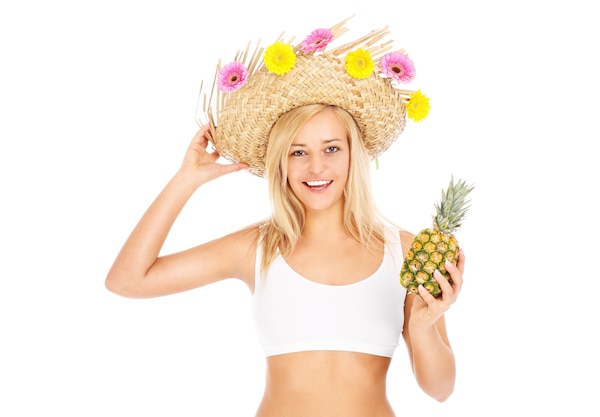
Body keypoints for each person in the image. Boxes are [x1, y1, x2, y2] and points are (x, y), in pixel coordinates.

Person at [105, 17, 464, 417]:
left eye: (331, 149)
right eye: (298, 152)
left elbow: (441, 389)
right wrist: (185, 181)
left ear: (353, 155)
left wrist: (422, 325)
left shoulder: (406, 251)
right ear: (281, 162)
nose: (315, 168)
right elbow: (126, 280)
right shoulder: (258, 248)